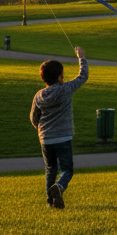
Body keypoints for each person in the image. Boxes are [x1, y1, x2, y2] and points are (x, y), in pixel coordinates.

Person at [30, 46, 90, 209]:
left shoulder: (39, 95)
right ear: (59, 76)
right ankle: (60, 187)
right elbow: (83, 76)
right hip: (63, 137)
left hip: (46, 139)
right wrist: (81, 57)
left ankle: (50, 202)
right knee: (67, 170)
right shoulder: (65, 90)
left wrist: (41, 130)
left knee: (50, 169)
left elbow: (34, 118)